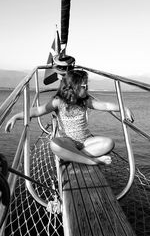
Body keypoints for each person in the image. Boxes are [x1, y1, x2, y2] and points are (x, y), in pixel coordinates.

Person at [5, 69, 134, 166]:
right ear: (74, 87)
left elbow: (105, 105)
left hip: (85, 142)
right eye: (84, 86)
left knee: (109, 143)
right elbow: (38, 110)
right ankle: (92, 161)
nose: (87, 88)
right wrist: (16, 116)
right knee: (55, 145)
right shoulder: (58, 101)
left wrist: (124, 108)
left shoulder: (85, 101)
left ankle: (72, 157)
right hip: (68, 141)